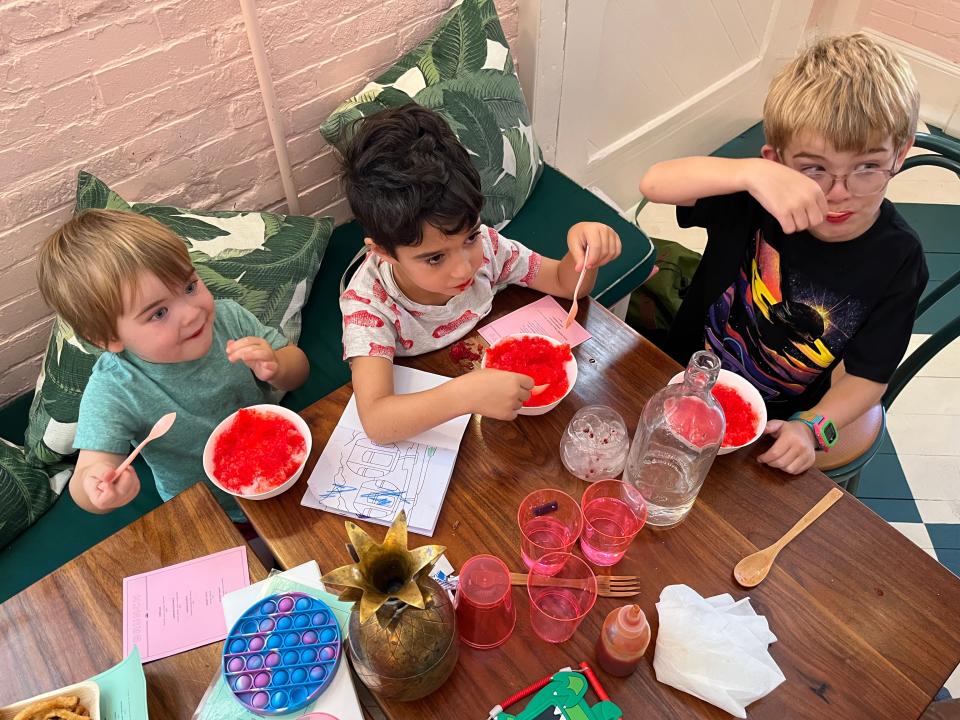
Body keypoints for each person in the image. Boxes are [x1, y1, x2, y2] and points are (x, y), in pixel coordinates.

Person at [638, 33, 928, 475]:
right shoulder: (757, 196)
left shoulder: (898, 258)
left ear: (901, 154)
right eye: (814, 168)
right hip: (677, 377)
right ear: (776, 161)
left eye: (867, 167)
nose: (838, 193)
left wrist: (813, 428)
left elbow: (868, 376)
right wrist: (750, 174)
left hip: (775, 423)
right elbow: (654, 183)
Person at [339, 104, 622, 444]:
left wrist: (585, 257)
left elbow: (563, 283)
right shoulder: (368, 307)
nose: (464, 267)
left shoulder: (486, 248)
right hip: (441, 399)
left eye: (469, 236)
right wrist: (463, 395)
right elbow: (378, 422)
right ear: (383, 253)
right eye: (434, 258)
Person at [36, 209, 310, 519]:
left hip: (288, 468)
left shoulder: (229, 318)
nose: (191, 313)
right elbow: (88, 472)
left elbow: (298, 371)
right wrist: (97, 486)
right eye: (158, 313)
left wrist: (277, 366)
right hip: (212, 512)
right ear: (107, 337)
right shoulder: (114, 389)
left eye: (190, 287)